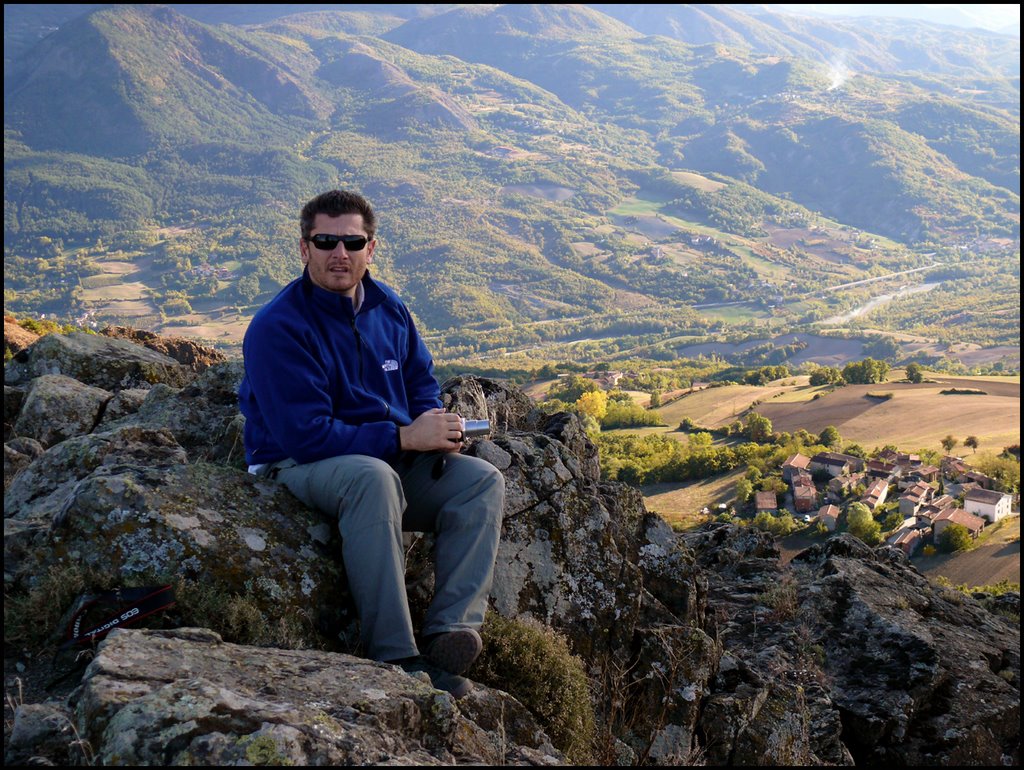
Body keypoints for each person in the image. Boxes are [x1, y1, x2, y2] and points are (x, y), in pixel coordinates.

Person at [238, 189, 504, 698]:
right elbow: (305, 434)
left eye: (352, 241)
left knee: (480, 482)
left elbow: (420, 379)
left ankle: (450, 632)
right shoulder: (279, 327)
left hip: (384, 452)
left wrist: (433, 426)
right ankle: (395, 656)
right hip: (296, 463)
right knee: (372, 478)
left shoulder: (389, 309)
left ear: (371, 248)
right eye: (326, 241)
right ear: (304, 249)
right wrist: (404, 436)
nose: (340, 253)